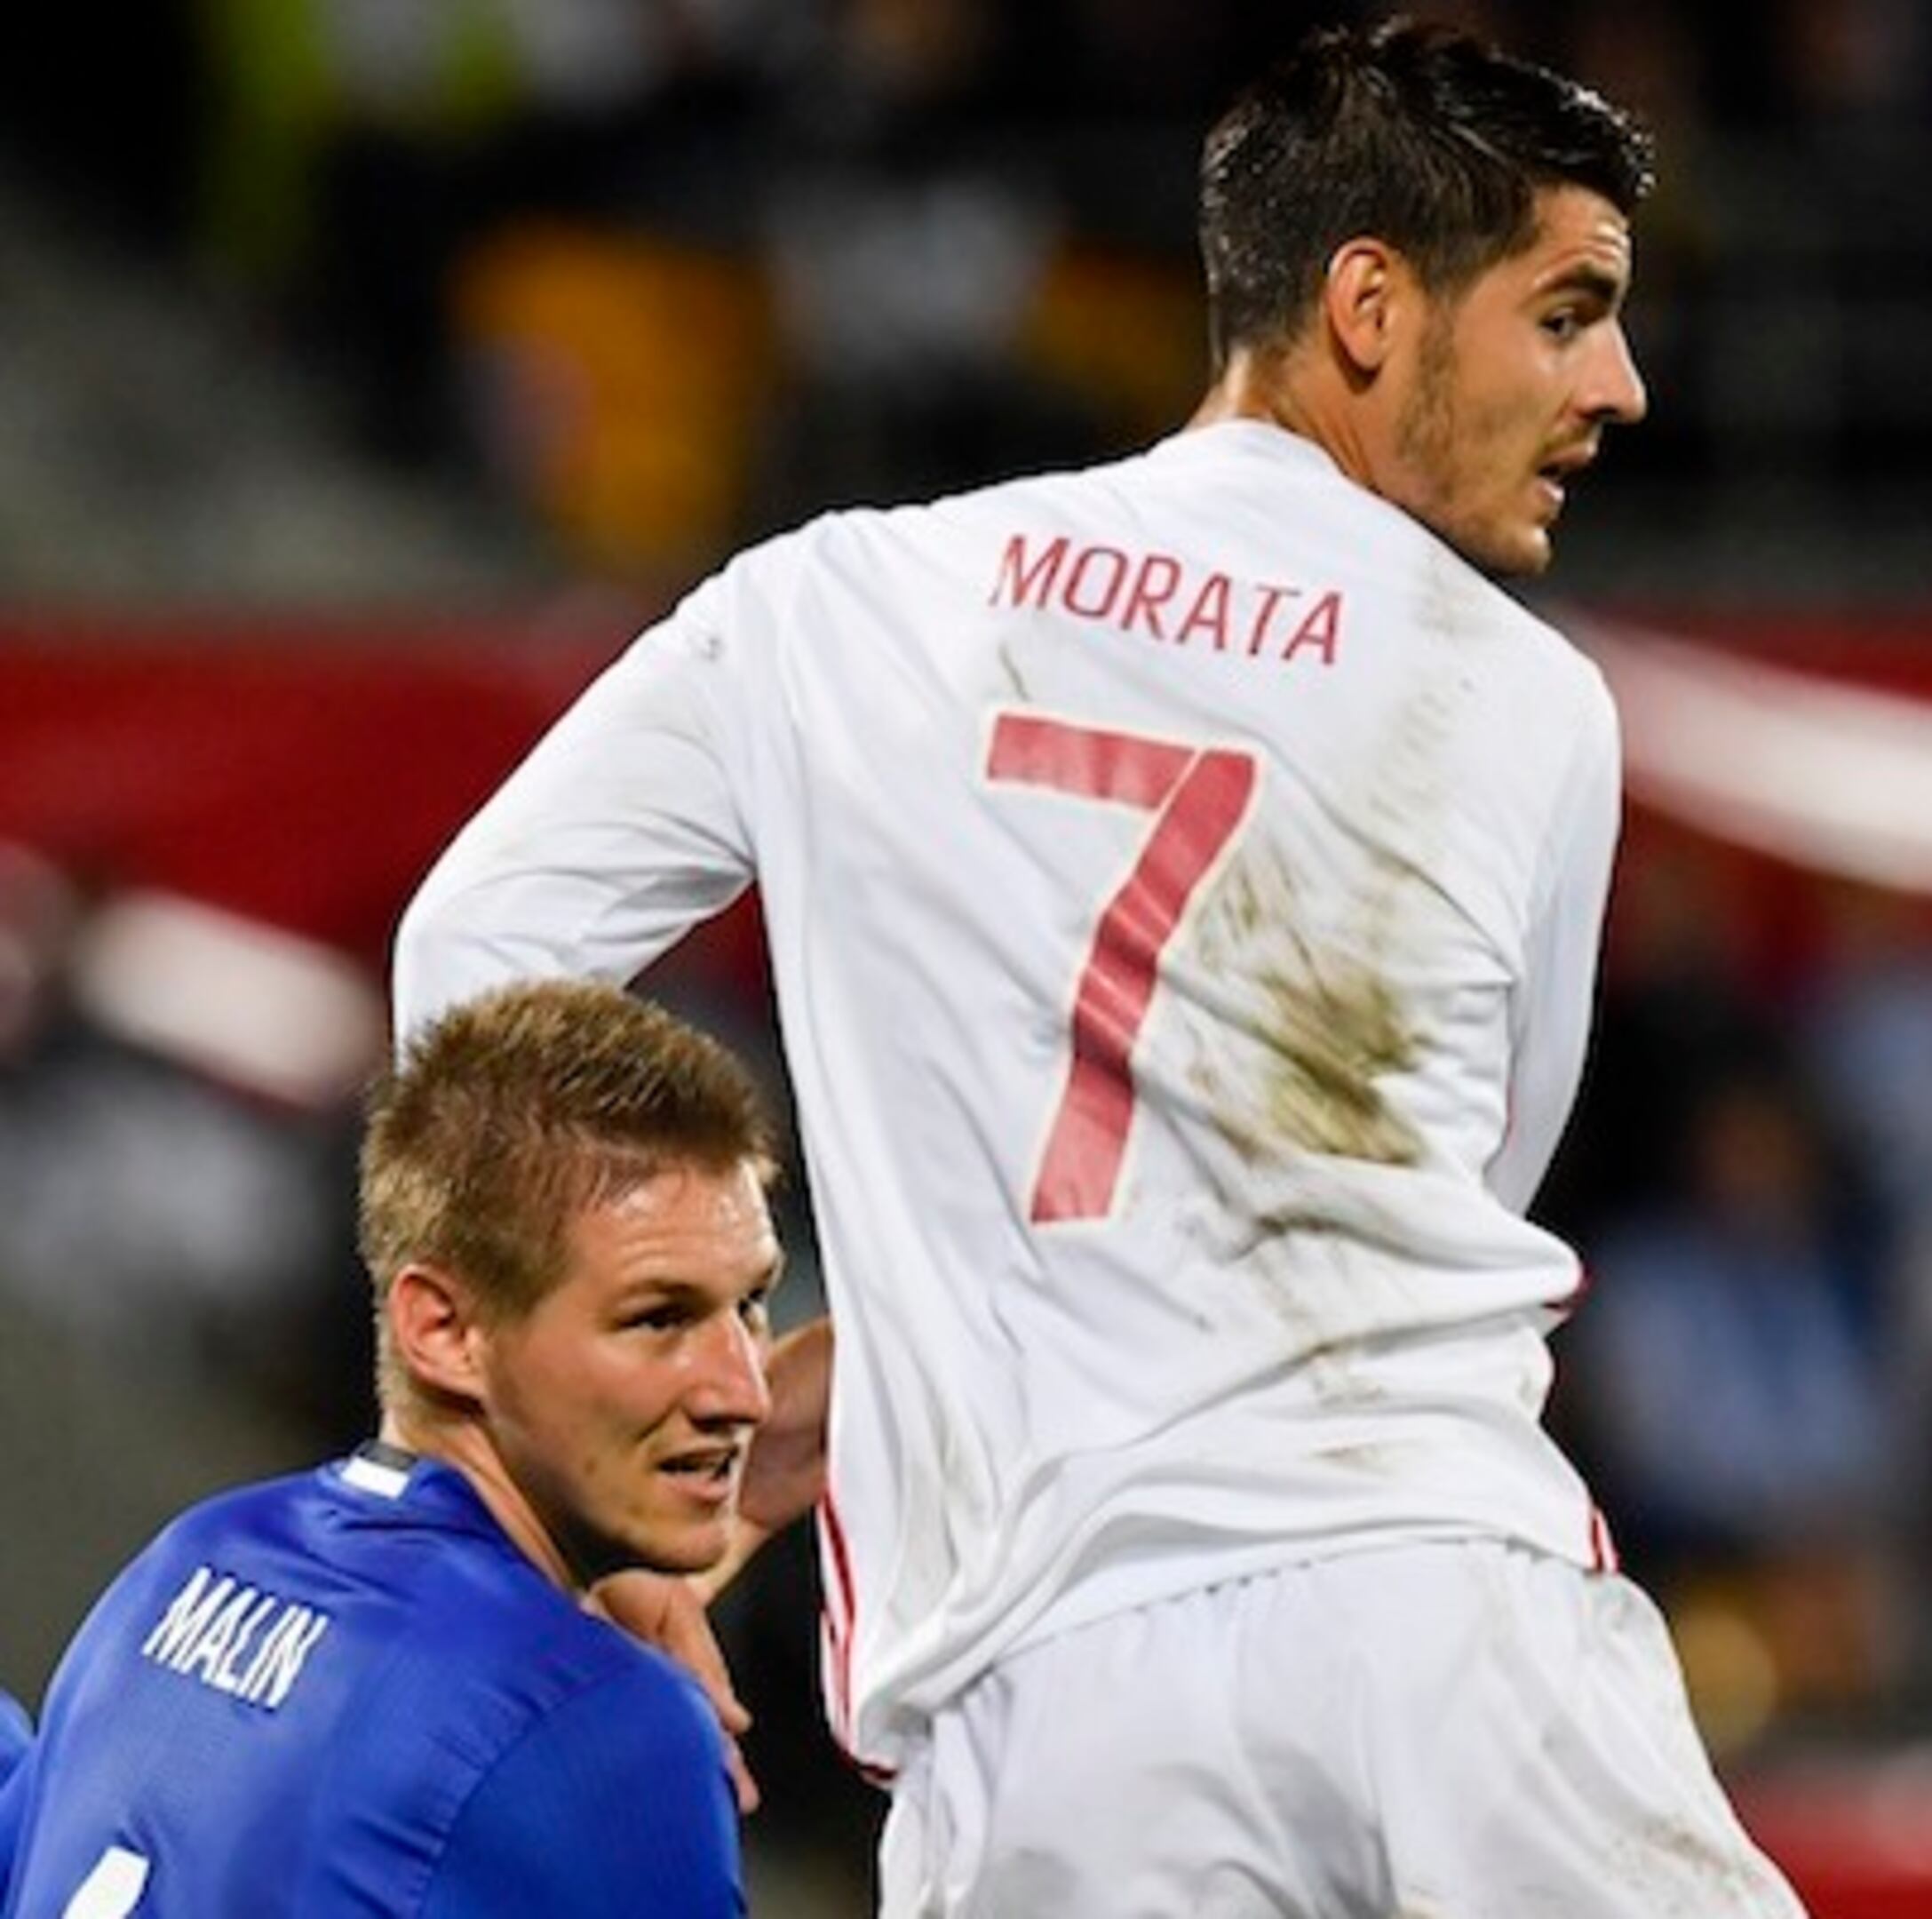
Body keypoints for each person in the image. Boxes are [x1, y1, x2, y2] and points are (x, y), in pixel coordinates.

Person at [392, 17, 1806, 1915]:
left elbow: (474, 958)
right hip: (1460, 1639)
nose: (1622, 383)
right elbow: (1443, 1197)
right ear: (1371, 309)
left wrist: (620, 1448)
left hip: (1054, 1720)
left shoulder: (838, 603)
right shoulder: (1531, 707)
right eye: (1567, 312)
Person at [0, 978, 780, 1916]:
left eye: (751, 1305)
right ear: (444, 1331)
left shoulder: (183, 1564)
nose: (745, 1388)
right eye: (659, 1319)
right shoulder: (599, 1720)